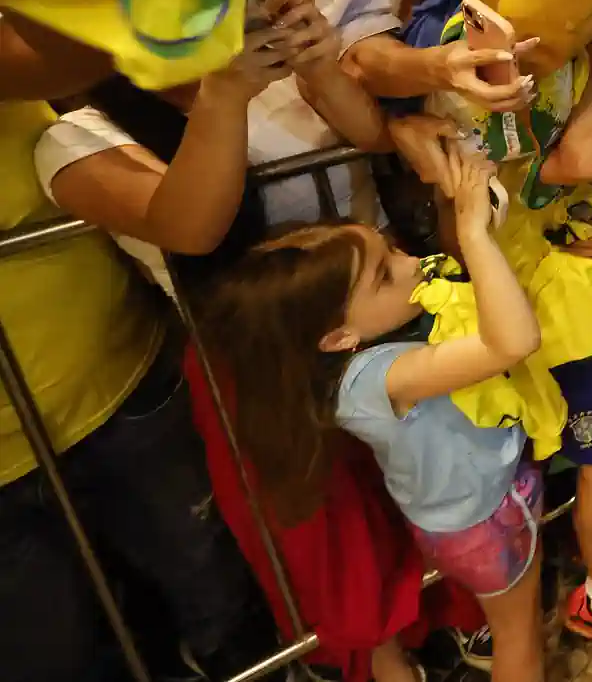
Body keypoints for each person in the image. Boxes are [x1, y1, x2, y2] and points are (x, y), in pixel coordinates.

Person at [198, 137, 549, 682]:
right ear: (338, 336)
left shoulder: (356, 363)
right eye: (386, 274)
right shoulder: (374, 377)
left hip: (465, 512)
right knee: (518, 638)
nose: (410, 264)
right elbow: (513, 340)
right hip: (484, 520)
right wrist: (474, 233)